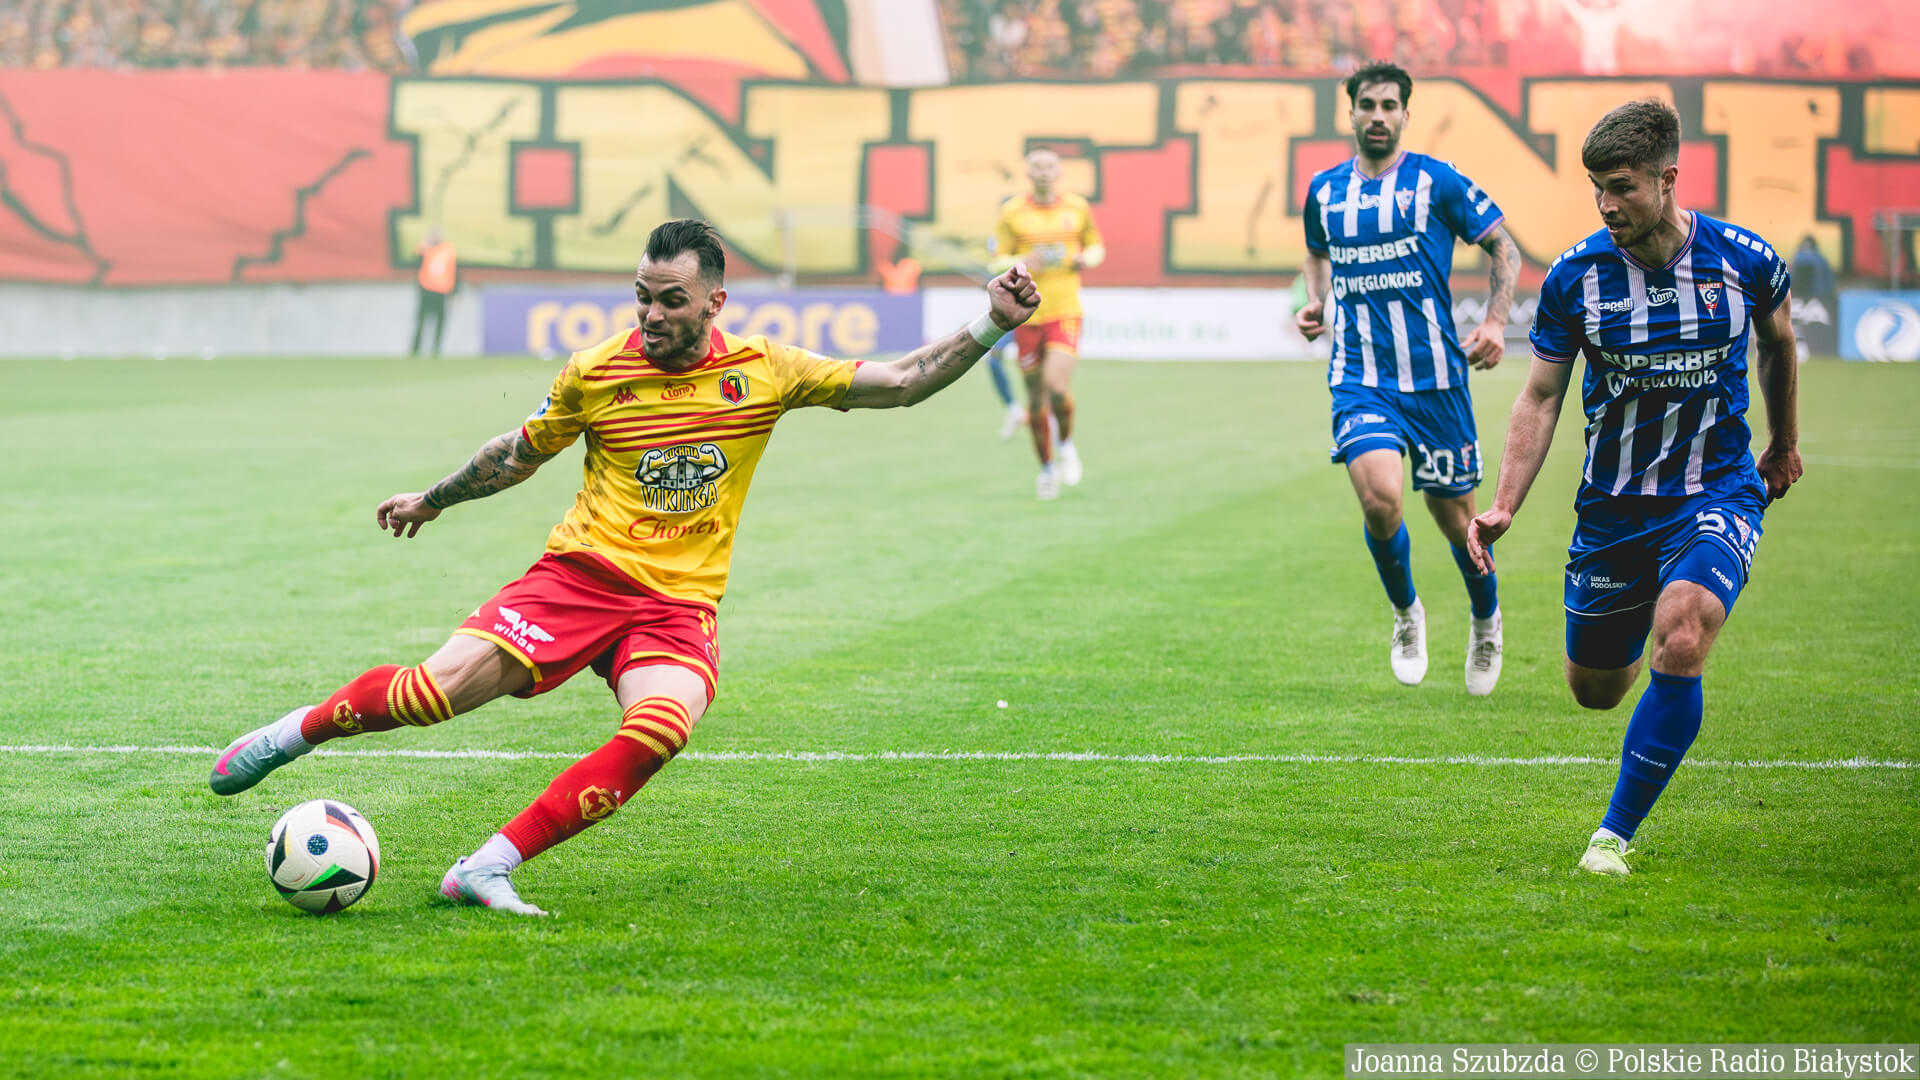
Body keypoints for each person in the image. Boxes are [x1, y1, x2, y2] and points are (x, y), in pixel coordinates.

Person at [210, 219, 1041, 915]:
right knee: (429, 696)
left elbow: (900, 382)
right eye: (642, 295)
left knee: (662, 727)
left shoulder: (764, 369)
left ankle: (486, 867)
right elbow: (517, 453)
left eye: (671, 299)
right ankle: (296, 731)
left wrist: (992, 323)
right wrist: (433, 499)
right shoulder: (597, 371)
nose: (651, 314)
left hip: (676, 605)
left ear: (714, 302)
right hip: (579, 579)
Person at [1466, 99, 1803, 876]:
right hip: (1614, 508)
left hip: (1717, 490)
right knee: (1595, 688)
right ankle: (1640, 613)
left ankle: (1610, 837)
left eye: (1621, 186)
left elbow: (1780, 345)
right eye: (1597, 189)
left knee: (1684, 632)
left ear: (1667, 178)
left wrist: (1784, 443)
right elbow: (1540, 396)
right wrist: (1506, 502)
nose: (1606, 204)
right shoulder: (1576, 278)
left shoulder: (1745, 261)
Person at [1294, 61, 1522, 694]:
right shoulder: (1324, 191)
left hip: (1437, 380)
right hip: (1360, 376)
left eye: (1389, 106)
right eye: (1367, 104)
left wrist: (1496, 321)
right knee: (1380, 498)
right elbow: (1315, 250)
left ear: (1404, 115)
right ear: (1351, 113)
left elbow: (1504, 247)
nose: (1377, 116)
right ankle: (1406, 614)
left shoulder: (1436, 181)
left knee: (1457, 521)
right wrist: (1315, 302)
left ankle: (1485, 619)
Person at [990, 147, 1106, 499]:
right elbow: (995, 261)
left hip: (1065, 310)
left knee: (1056, 387)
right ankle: (1046, 469)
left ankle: (1066, 444)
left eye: (1049, 167)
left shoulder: (1076, 207)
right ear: (1028, 173)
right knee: (1036, 401)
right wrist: (1021, 259)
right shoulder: (1013, 212)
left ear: (1059, 173)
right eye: (1037, 167)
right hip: (1027, 315)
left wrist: (1086, 258)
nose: (1043, 172)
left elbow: (1097, 246)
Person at [411, 226, 457, 357]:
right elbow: (415, 264)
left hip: (441, 291)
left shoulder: (448, 250)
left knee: (440, 322)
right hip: (426, 290)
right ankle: (415, 350)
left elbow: (454, 271)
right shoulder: (425, 248)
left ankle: (436, 350)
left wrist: (454, 292)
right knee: (421, 321)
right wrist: (423, 249)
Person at [1788, 236, 1837, 356]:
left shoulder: (1796, 258)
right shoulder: (1821, 260)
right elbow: (1828, 281)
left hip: (1802, 295)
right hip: (1817, 296)